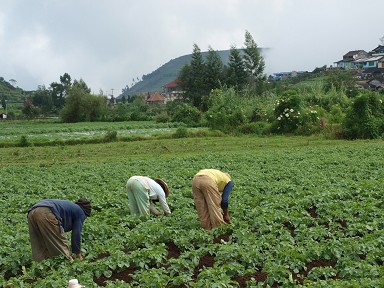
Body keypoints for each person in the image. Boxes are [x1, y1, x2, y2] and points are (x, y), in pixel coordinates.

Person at [27, 198, 91, 262]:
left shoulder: (72, 207)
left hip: (32, 212)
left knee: (40, 245)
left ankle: (41, 266)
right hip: (46, 212)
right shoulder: (81, 212)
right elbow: (76, 234)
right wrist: (78, 254)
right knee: (61, 245)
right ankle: (69, 265)